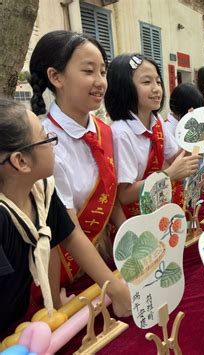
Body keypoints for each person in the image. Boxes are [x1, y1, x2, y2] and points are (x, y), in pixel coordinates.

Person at [0, 99, 130, 334]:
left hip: (26, 325)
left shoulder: (42, 191)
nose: (54, 145)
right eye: (46, 138)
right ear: (21, 161)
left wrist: (115, 291)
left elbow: (66, 236)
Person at [29, 30, 125, 285]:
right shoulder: (44, 143)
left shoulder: (104, 130)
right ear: (56, 77)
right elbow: (68, 230)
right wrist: (114, 287)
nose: (100, 81)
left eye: (103, 72)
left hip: (103, 262)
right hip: (63, 275)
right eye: (88, 71)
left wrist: (133, 245)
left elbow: (110, 197)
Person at [104, 53, 200, 217]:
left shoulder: (156, 121)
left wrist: (195, 136)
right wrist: (169, 174)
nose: (157, 89)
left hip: (157, 208)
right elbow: (124, 194)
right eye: (147, 82)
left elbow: (175, 159)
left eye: (158, 81)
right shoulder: (121, 132)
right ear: (124, 87)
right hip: (135, 218)